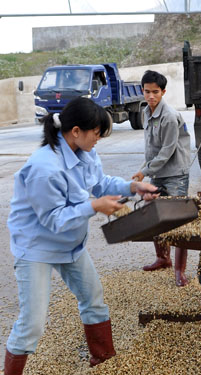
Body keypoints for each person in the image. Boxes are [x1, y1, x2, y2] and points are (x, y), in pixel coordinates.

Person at [4, 97, 159, 374]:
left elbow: (100, 183)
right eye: (97, 133)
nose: (98, 139)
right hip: (37, 247)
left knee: (93, 298)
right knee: (33, 322)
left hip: (70, 243)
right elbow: (53, 220)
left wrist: (133, 186)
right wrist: (94, 206)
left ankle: (104, 361)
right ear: (76, 131)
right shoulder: (44, 168)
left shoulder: (85, 153)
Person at [132, 70, 191, 287]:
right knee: (155, 214)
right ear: (142, 91)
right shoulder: (145, 112)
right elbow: (151, 148)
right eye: (147, 92)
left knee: (177, 220)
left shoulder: (169, 116)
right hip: (157, 172)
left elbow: (166, 151)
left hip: (175, 173)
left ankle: (179, 270)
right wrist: (145, 170)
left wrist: (144, 171)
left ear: (163, 92)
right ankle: (162, 258)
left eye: (155, 92)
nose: (151, 96)